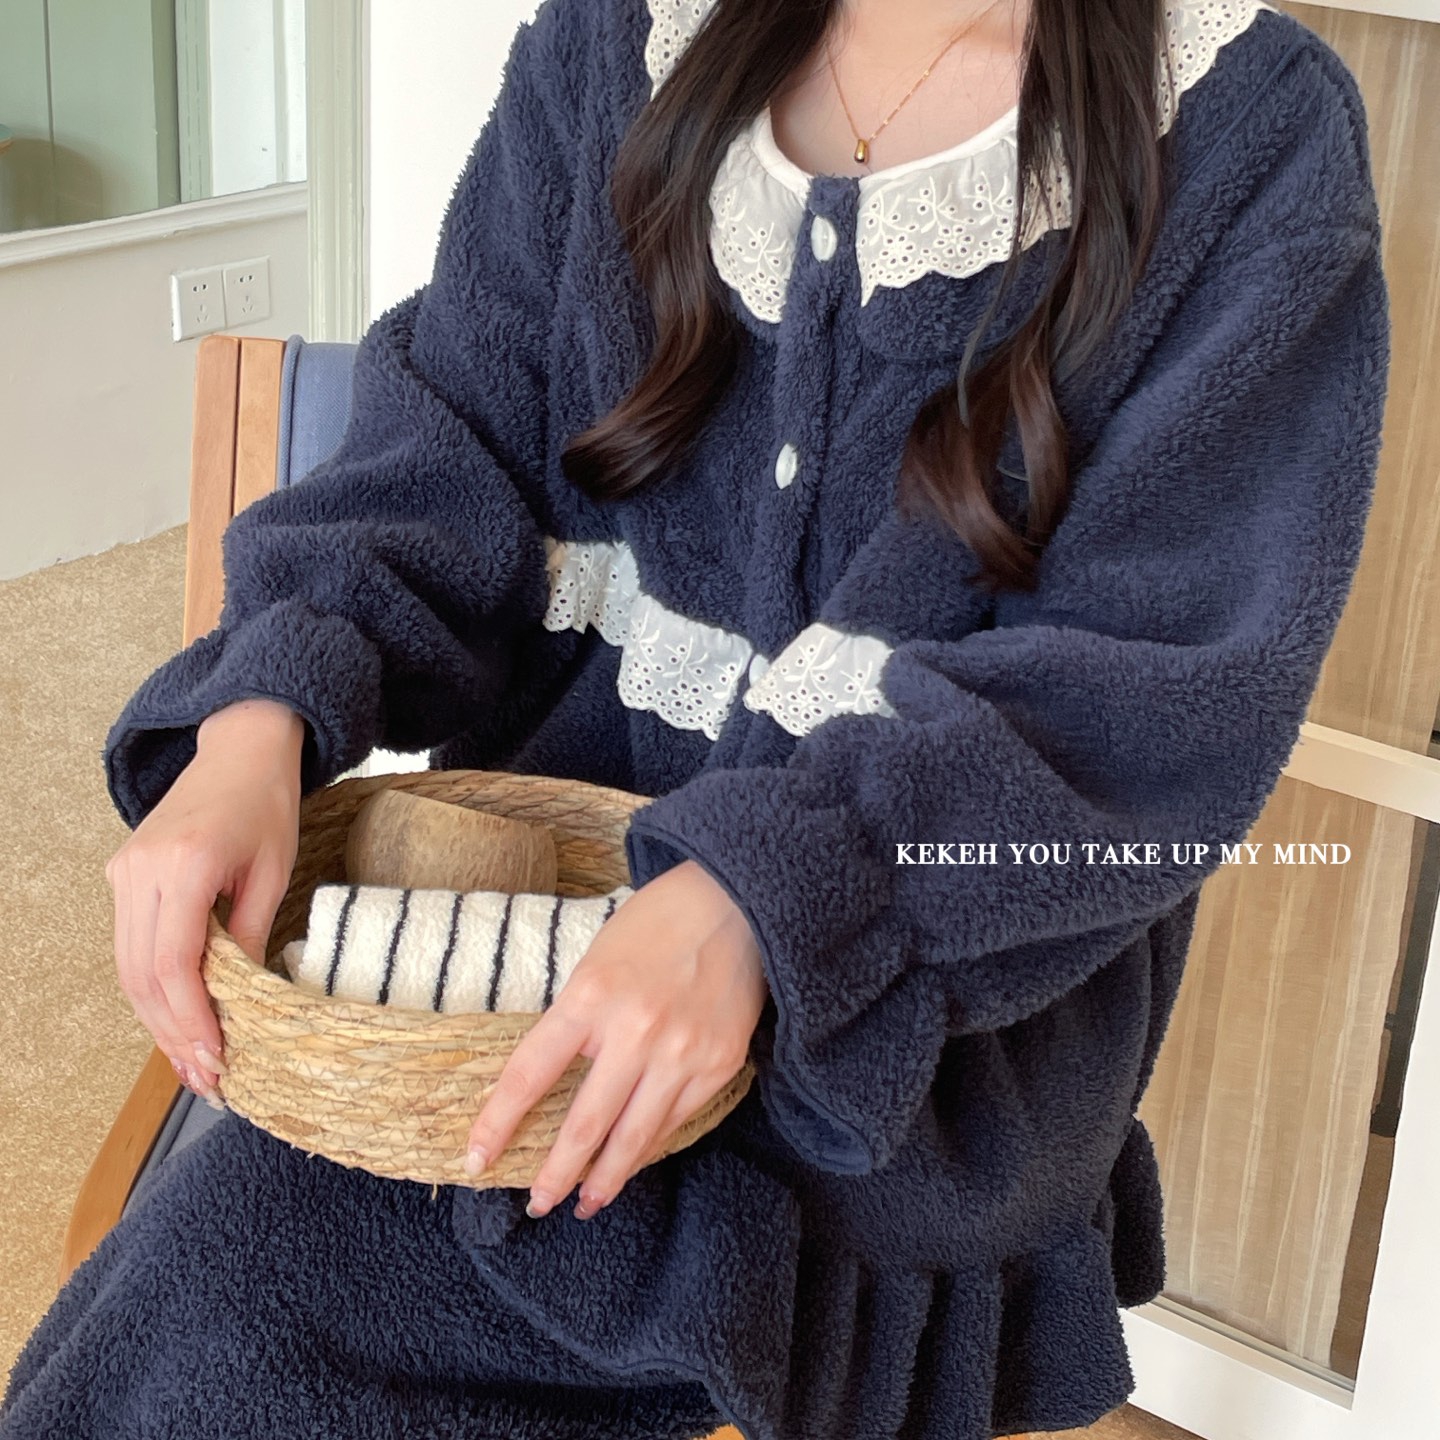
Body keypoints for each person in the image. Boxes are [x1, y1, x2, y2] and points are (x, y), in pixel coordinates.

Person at [1, 0, 1391, 1436]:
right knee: (176, 1310)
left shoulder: (1249, 132)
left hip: (889, 1084)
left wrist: (763, 899)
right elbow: (450, 434)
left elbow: (1152, 706)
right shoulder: (619, 37)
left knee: (213, 1310)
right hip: (530, 972)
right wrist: (259, 716)